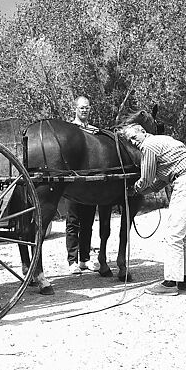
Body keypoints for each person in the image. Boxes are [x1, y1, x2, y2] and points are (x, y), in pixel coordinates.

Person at [119, 123, 186, 295]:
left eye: (134, 137)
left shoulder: (149, 146)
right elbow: (161, 181)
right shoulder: (166, 140)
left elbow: (146, 178)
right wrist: (148, 189)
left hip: (185, 184)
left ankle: (170, 283)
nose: (134, 142)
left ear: (143, 132)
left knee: (174, 235)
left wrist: (134, 189)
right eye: (130, 140)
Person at [65, 96, 102, 275]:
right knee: (73, 222)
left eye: (87, 107)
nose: (84, 110)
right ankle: (71, 260)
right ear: (75, 109)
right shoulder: (69, 130)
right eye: (81, 107)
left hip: (91, 184)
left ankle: (84, 259)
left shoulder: (95, 131)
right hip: (74, 182)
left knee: (88, 222)